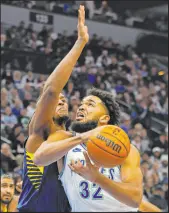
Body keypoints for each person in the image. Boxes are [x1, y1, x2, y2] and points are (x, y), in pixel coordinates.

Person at [18, 5, 89, 212]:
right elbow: (50, 90)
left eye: (64, 99)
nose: (60, 100)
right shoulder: (39, 132)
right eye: (57, 99)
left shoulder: (73, 140)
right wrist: (80, 43)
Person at [34, 88, 143, 212]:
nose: (80, 107)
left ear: (104, 118)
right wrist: (83, 137)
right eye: (81, 104)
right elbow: (39, 158)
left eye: (90, 104)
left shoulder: (125, 149)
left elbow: (134, 199)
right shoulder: (64, 138)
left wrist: (97, 178)